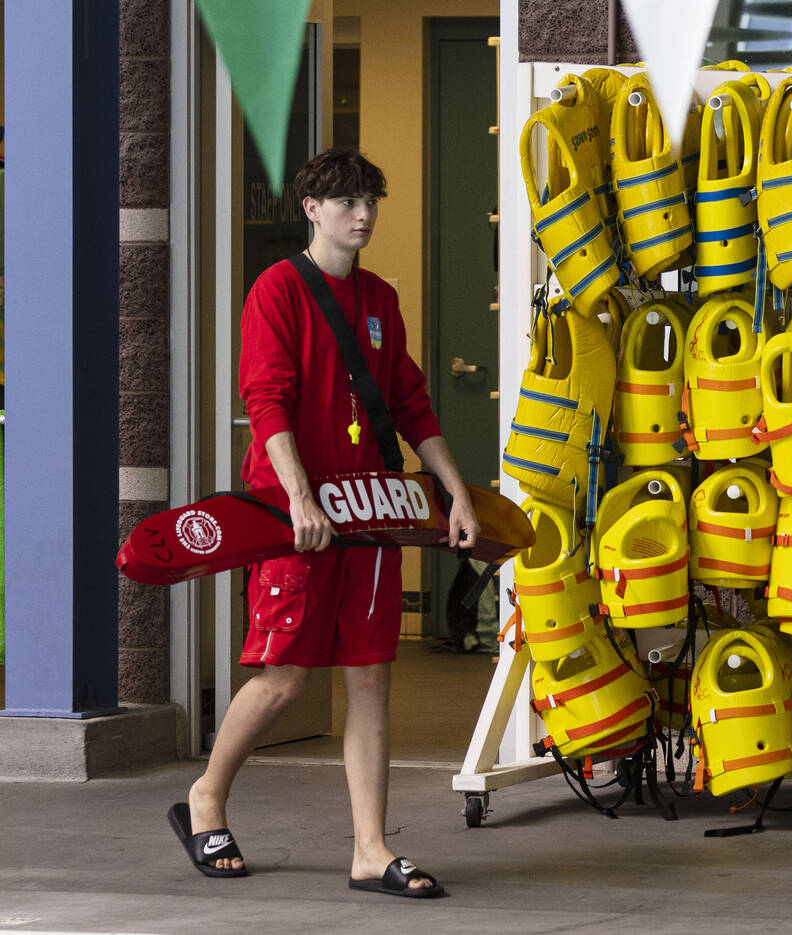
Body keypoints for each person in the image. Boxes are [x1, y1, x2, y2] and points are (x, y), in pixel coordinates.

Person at [167, 149, 479, 899]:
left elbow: (410, 403)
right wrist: (300, 495)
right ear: (312, 209)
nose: (363, 213)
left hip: (370, 514)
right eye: (346, 201)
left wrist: (456, 493)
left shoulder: (379, 299)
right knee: (284, 676)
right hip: (295, 516)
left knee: (371, 675)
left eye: (371, 199)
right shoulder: (276, 290)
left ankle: (371, 850)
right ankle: (206, 795)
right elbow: (265, 397)